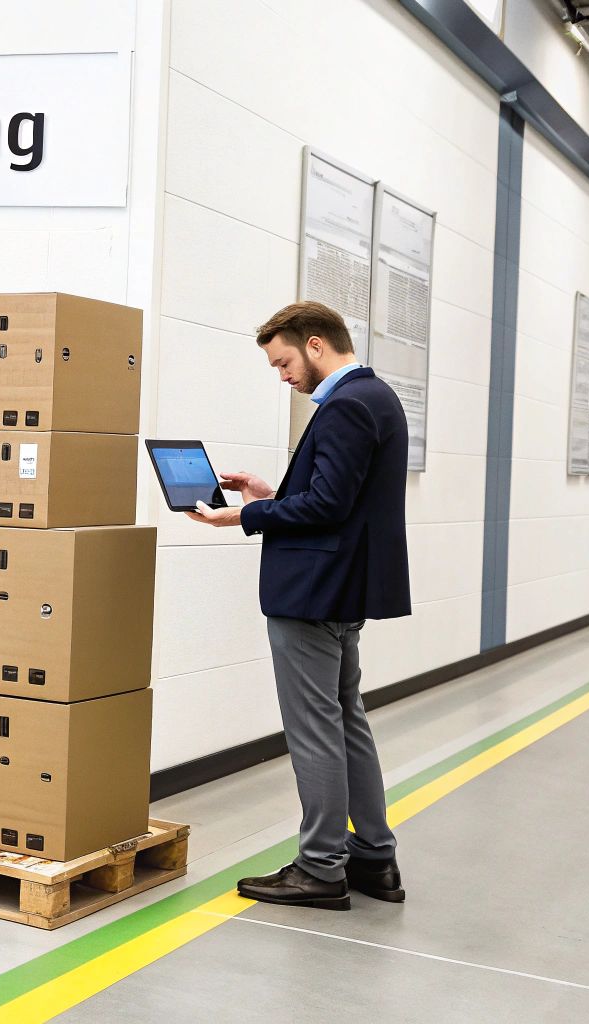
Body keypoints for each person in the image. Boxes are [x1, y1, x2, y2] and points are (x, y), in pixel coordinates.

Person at [186, 300, 412, 911]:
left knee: (314, 731)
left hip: (313, 593)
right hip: (342, 590)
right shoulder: (376, 398)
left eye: (283, 362)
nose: (281, 375)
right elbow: (338, 498)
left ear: (316, 345)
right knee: (347, 721)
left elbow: (327, 508)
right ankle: (374, 857)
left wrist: (245, 515)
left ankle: (319, 867)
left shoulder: (346, 406)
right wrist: (270, 491)